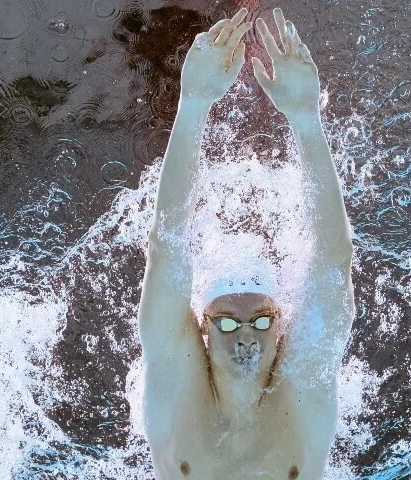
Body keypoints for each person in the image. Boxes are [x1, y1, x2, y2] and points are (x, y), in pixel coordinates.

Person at [137, 7, 355, 479]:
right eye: (229, 324)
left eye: (258, 318)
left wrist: (306, 120)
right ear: (202, 327)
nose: (246, 335)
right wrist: (192, 103)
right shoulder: (178, 387)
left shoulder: (301, 395)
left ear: (280, 328)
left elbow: (333, 261)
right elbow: (166, 248)